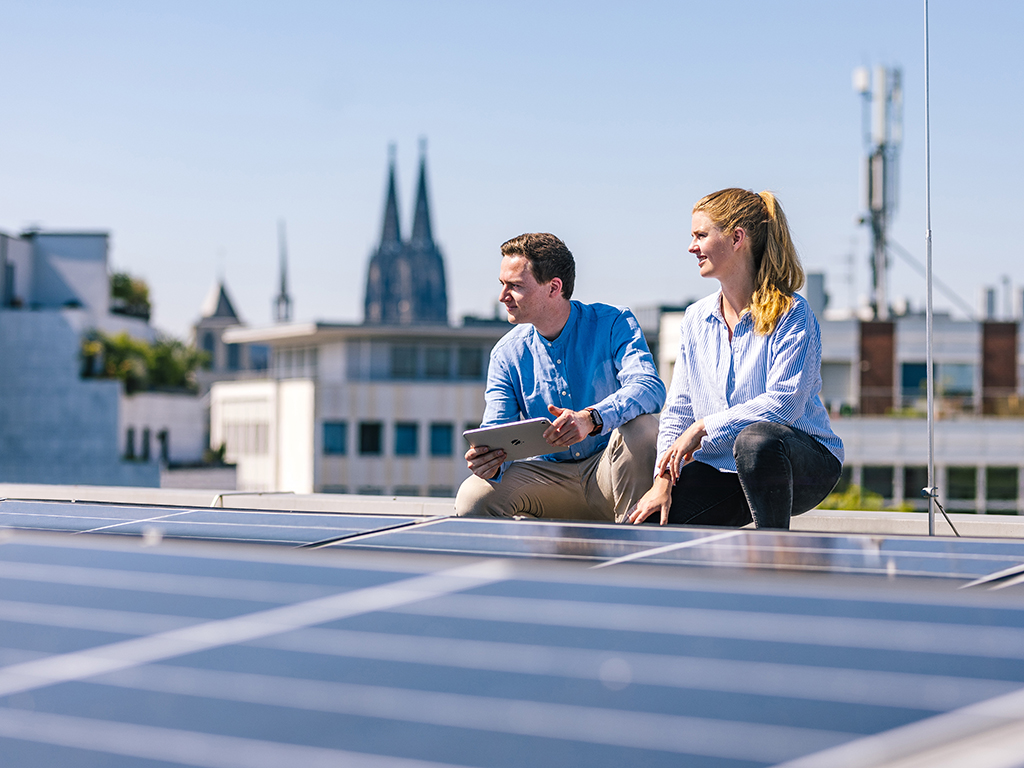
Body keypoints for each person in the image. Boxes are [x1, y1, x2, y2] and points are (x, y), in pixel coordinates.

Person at [627, 188, 843, 529]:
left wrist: (704, 426)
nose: (691, 247)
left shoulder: (792, 314)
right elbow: (679, 410)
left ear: (736, 238)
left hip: (798, 463)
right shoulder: (695, 319)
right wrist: (662, 482)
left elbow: (784, 405)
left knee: (756, 440)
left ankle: (771, 563)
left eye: (700, 235)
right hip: (723, 466)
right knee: (645, 526)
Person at [455, 232, 666, 522]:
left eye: (515, 286)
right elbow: (497, 431)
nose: (503, 296)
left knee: (641, 429)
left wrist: (591, 419)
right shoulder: (506, 353)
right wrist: (488, 461)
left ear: (554, 287)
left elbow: (649, 387)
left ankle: (634, 547)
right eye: (503, 285)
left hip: (610, 471)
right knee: (472, 496)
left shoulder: (614, 322)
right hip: (548, 479)